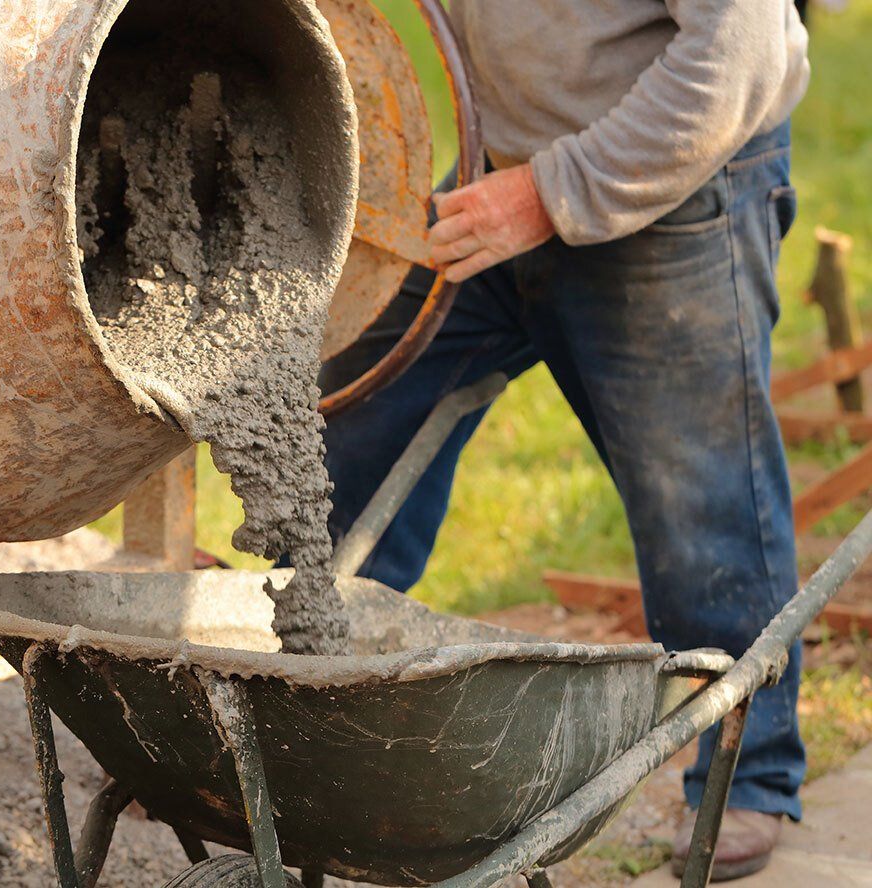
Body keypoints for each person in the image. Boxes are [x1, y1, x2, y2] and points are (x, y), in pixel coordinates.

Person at [320, 0, 810, 879]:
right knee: (359, 410)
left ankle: (748, 774)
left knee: (699, 505)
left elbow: (738, 53)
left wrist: (550, 195)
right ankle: (303, 694)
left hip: (676, 178)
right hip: (503, 173)